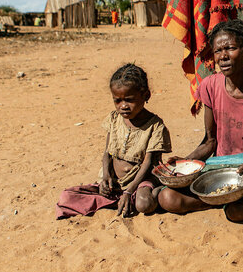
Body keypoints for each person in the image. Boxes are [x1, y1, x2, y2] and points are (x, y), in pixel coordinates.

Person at [158, 19, 243, 221]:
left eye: (231, 48)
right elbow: (210, 141)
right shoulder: (210, 86)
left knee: (235, 213)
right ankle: (221, 199)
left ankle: (232, 202)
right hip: (222, 168)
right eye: (218, 51)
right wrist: (186, 163)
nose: (223, 56)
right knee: (167, 198)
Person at [55, 63, 171, 219]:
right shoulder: (114, 119)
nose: (123, 106)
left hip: (141, 180)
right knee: (67, 197)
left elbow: (148, 163)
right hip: (115, 182)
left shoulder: (155, 125)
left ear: (146, 96)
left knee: (144, 204)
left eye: (129, 100)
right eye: (117, 101)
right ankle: (121, 198)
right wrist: (106, 176)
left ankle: (155, 191)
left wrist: (130, 190)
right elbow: (107, 152)